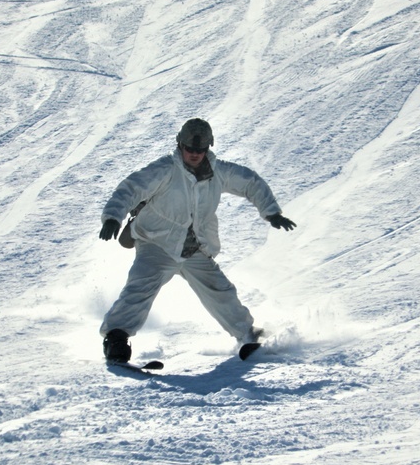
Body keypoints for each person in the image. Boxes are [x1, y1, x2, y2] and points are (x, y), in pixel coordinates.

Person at [98, 118, 296, 363]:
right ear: (180, 145)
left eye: (200, 150)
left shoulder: (219, 173)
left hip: (194, 248)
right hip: (156, 243)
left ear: (208, 148)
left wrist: (271, 212)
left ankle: (247, 334)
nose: (194, 154)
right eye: (189, 149)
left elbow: (250, 183)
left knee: (220, 290)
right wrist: (113, 217)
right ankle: (116, 337)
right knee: (140, 286)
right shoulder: (165, 170)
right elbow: (131, 188)